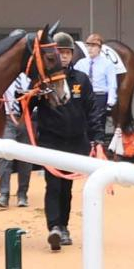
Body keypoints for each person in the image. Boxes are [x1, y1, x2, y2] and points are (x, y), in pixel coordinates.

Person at [29, 37, 108, 250]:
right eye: (60, 52)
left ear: (72, 55)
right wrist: (32, 92)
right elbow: (26, 106)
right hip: (51, 141)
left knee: (67, 188)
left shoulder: (81, 79)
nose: (63, 56)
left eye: (67, 52)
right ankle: (54, 227)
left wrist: (98, 138)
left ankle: (63, 226)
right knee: (53, 185)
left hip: (76, 142)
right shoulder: (43, 81)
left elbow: (92, 111)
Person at [74, 32, 127, 137]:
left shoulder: (107, 64)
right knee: (83, 124)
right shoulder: (81, 63)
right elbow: (75, 81)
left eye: (93, 46)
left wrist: (110, 102)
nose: (90, 49)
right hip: (85, 97)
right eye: (88, 46)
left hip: (100, 96)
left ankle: (99, 146)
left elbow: (112, 84)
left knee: (98, 125)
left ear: (99, 48)